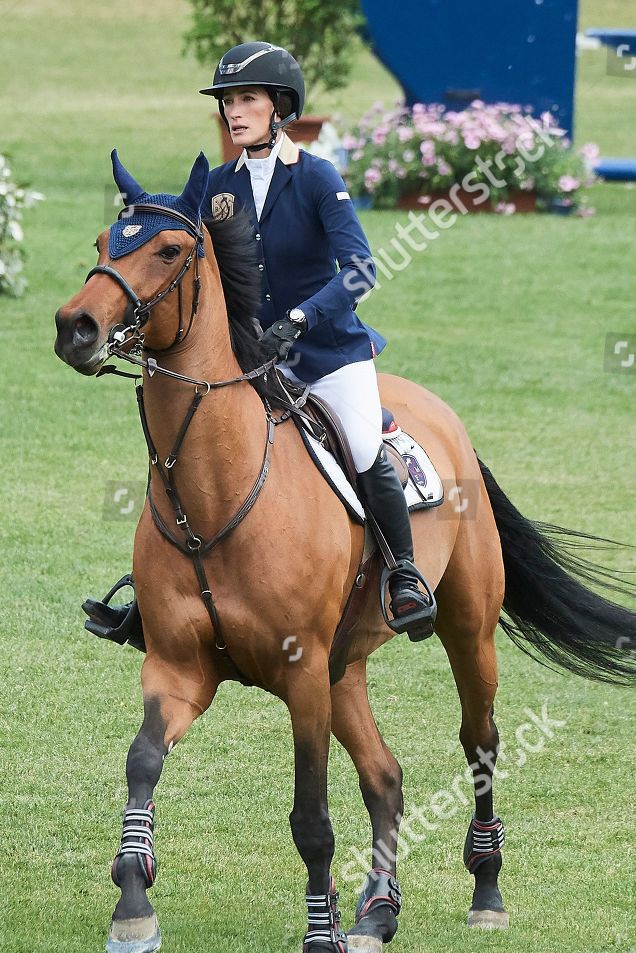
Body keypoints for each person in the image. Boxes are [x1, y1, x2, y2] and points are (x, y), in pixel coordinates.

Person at [84, 41, 437, 648]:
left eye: (246, 99)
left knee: (358, 442)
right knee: (188, 452)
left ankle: (404, 574)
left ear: (280, 107)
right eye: (227, 101)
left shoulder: (319, 178)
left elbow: (359, 271)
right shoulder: (218, 184)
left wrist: (300, 318)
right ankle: (155, 593)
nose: (233, 111)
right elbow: (177, 254)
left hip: (325, 354)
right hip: (248, 357)